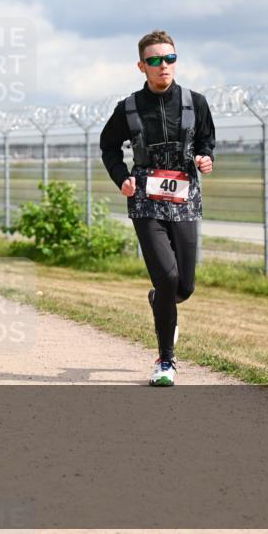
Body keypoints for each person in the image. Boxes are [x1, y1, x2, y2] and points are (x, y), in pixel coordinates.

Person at [99, 30, 215, 387]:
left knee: (184, 286)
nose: (163, 66)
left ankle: (160, 300)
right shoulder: (129, 107)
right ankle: (166, 361)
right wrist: (122, 179)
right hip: (146, 200)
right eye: (154, 60)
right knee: (165, 277)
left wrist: (205, 157)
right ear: (141, 66)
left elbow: (207, 140)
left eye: (169, 59)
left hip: (184, 198)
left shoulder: (196, 102)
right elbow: (108, 147)